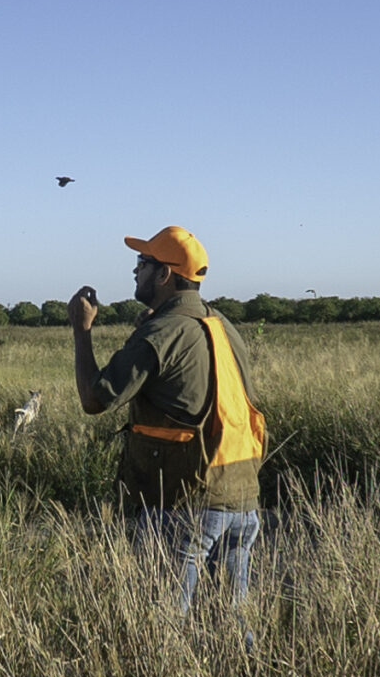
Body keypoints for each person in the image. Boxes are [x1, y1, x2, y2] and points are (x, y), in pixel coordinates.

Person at [68, 225, 268, 612]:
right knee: (230, 622)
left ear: (164, 274)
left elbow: (94, 399)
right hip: (242, 499)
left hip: (184, 503)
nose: (135, 270)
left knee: (164, 625)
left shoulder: (161, 332)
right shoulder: (221, 325)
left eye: (143, 262)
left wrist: (81, 329)